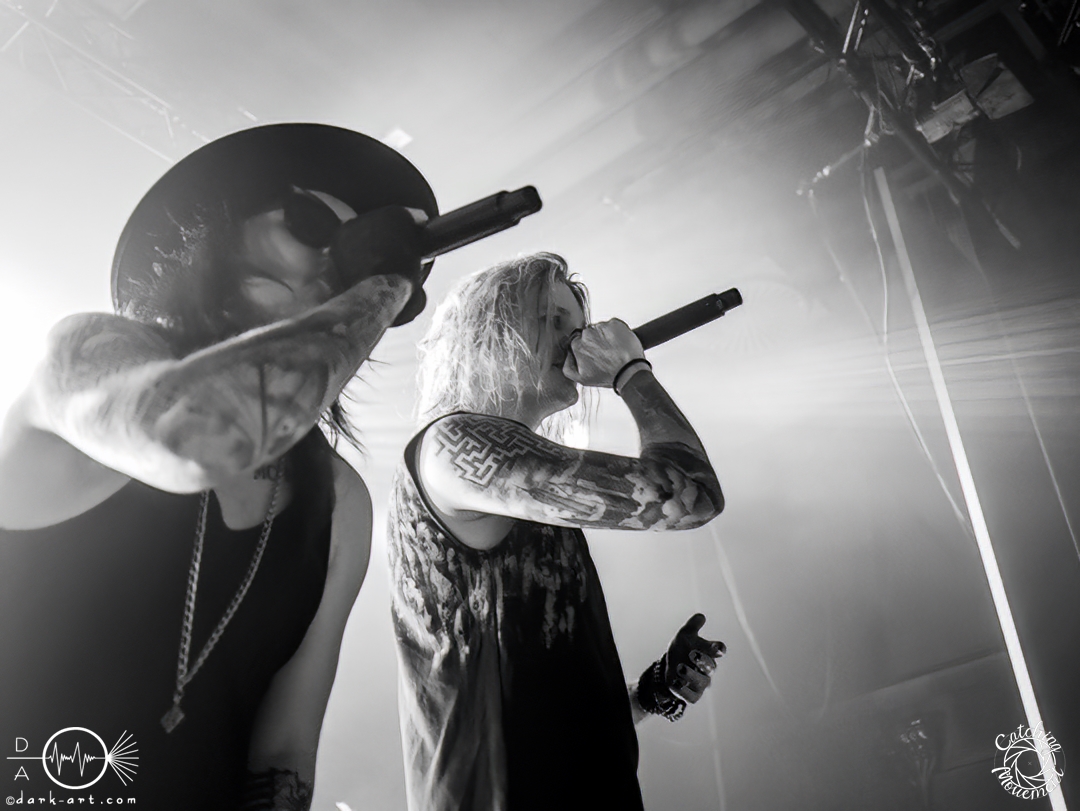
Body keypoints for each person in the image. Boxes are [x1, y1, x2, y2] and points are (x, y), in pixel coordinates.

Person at [0, 124, 434, 810]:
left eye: (355, 252)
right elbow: (197, 437)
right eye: (311, 222)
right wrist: (383, 282)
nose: (335, 262)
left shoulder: (339, 499)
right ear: (221, 230)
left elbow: (284, 749)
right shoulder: (81, 357)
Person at [386, 252, 727, 811]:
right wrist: (631, 373)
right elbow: (693, 497)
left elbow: (536, 710)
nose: (576, 339)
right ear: (488, 335)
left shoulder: (519, 487)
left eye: (577, 324)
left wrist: (645, 696)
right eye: (551, 320)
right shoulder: (453, 446)